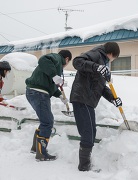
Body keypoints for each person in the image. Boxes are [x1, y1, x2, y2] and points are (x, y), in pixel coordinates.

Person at [70, 42, 122, 171]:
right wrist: (96, 67)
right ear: (111, 54)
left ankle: (86, 163)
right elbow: (77, 62)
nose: (112, 60)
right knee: (89, 132)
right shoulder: (97, 54)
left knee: (90, 132)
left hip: (88, 101)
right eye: (114, 58)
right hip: (82, 97)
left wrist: (113, 99)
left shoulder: (102, 63)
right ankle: (84, 166)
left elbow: (101, 87)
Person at [25, 50, 72, 161]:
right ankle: (41, 154)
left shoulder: (54, 66)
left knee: (45, 121)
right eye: (68, 62)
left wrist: (60, 96)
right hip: (39, 93)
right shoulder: (56, 58)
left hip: (36, 92)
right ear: (66, 59)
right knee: (48, 122)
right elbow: (43, 59)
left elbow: (50, 85)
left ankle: (36, 148)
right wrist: (55, 75)